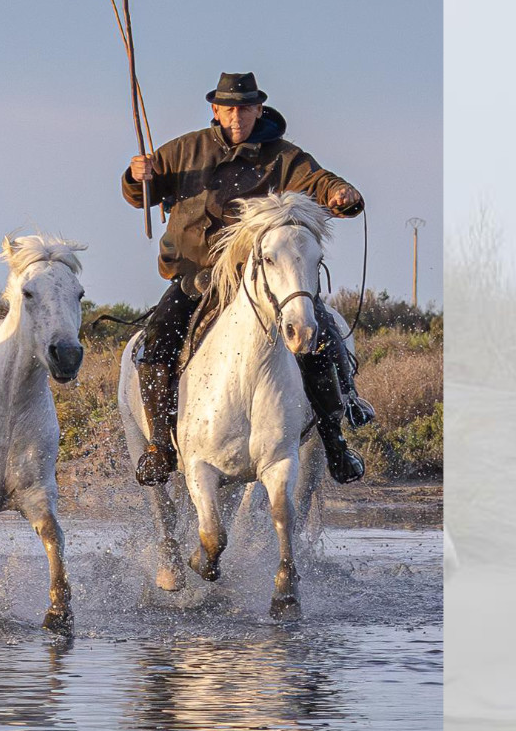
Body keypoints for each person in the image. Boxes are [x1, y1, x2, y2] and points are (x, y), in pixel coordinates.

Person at [123, 71, 374, 486]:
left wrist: (340, 193)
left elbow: (319, 181)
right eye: (229, 108)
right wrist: (138, 175)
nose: (237, 115)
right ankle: (160, 448)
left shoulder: (284, 157)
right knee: (156, 341)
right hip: (196, 278)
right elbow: (140, 195)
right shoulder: (186, 150)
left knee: (321, 334)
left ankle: (336, 439)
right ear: (216, 111)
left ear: (259, 109)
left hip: (260, 279)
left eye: (245, 107)